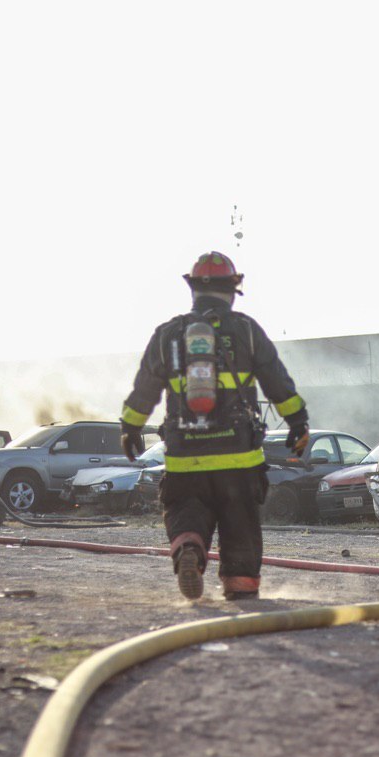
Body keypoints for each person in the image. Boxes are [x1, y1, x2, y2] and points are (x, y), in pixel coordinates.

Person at [120, 251, 309, 601]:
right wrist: (298, 423)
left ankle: (189, 547)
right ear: (233, 291)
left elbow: (144, 390)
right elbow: (277, 382)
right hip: (238, 457)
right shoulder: (246, 331)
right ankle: (240, 588)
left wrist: (130, 429)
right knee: (240, 523)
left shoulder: (167, 334)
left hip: (184, 456)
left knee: (186, 510)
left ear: (193, 289)